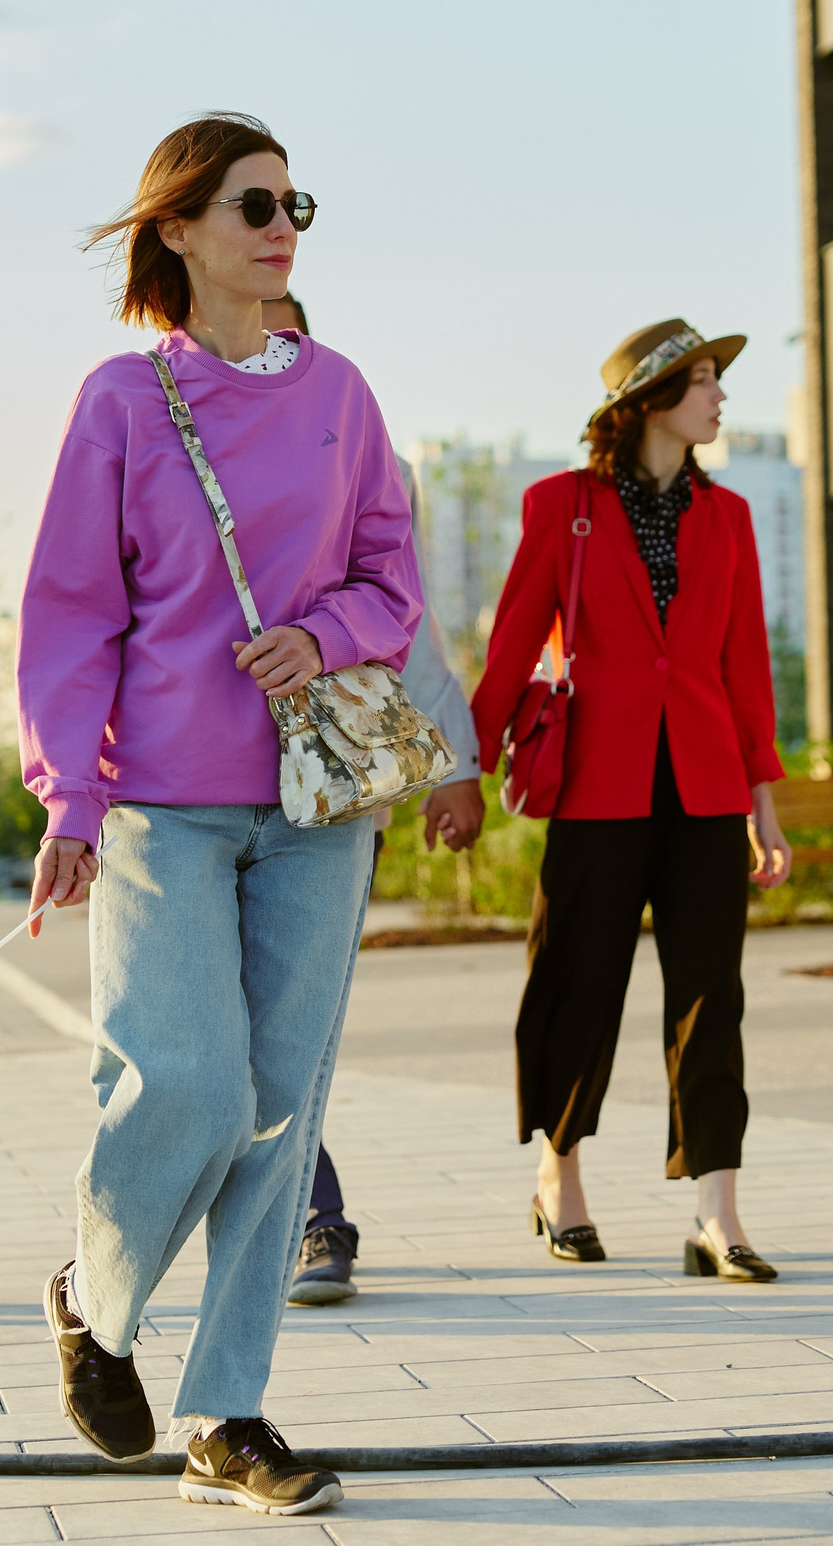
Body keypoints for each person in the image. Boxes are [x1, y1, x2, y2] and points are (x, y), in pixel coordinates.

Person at [16, 115, 421, 1517]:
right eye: (252, 202)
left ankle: (228, 1410)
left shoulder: (344, 394)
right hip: (164, 807)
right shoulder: (122, 401)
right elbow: (71, 611)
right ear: (178, 228)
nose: (280, 221)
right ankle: (93, 1289)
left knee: (277, 1107)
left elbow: (393, 576)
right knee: (181, 1081)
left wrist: (324, 633)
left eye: (293, 199)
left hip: (315, 801)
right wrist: (68, 790)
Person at [470, 319, 795, 1283]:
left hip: (702, 786)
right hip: (597, 786)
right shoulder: (561, 505)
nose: (720, 396)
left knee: (712, 999)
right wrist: (463, 774)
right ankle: (558, 1175)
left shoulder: (729, 516)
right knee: (578, 982)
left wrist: (763, 803)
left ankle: (717, 1211)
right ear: (649, 401)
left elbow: (745, 666)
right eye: (702, 381)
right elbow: (513, 641)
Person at [258, 292, 485, 1311]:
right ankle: (276, 1210)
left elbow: (410, 618)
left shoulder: (357, 446)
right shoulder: (151, 423)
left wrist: (456, 763)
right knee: (207, 1039)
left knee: (291, 1023)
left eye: (285, 331)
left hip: (335, 777)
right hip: (186, 784)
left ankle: (313, 1219)